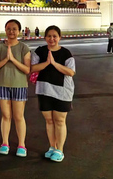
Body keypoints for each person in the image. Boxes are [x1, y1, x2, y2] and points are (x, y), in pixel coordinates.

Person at [31, 25, 75, 162]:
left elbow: (71, 72)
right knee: (49, 120)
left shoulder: (66, 53)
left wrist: (54, 64)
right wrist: (47, 63)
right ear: (45, 38)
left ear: (59, 37)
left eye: (55, 36)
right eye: (49, 36)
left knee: (60, 121)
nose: (52, 39)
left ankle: (60, 150)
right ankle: (52, 147)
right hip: (44, 90)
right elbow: (31, 68)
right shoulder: (39, 51)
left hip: (62, 91)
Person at [0, 19, 31, 157]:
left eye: (14, 29)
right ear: (5, 30)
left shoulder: (23, 48)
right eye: (8, 28)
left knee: (18, 116)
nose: (11, 31)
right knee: (6, 115)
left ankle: (22, 145)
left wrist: (13, 59)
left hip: (19, 85)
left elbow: (27, 69)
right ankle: (5, 143)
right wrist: (6, 59)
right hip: (3, 84)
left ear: (19, 31)